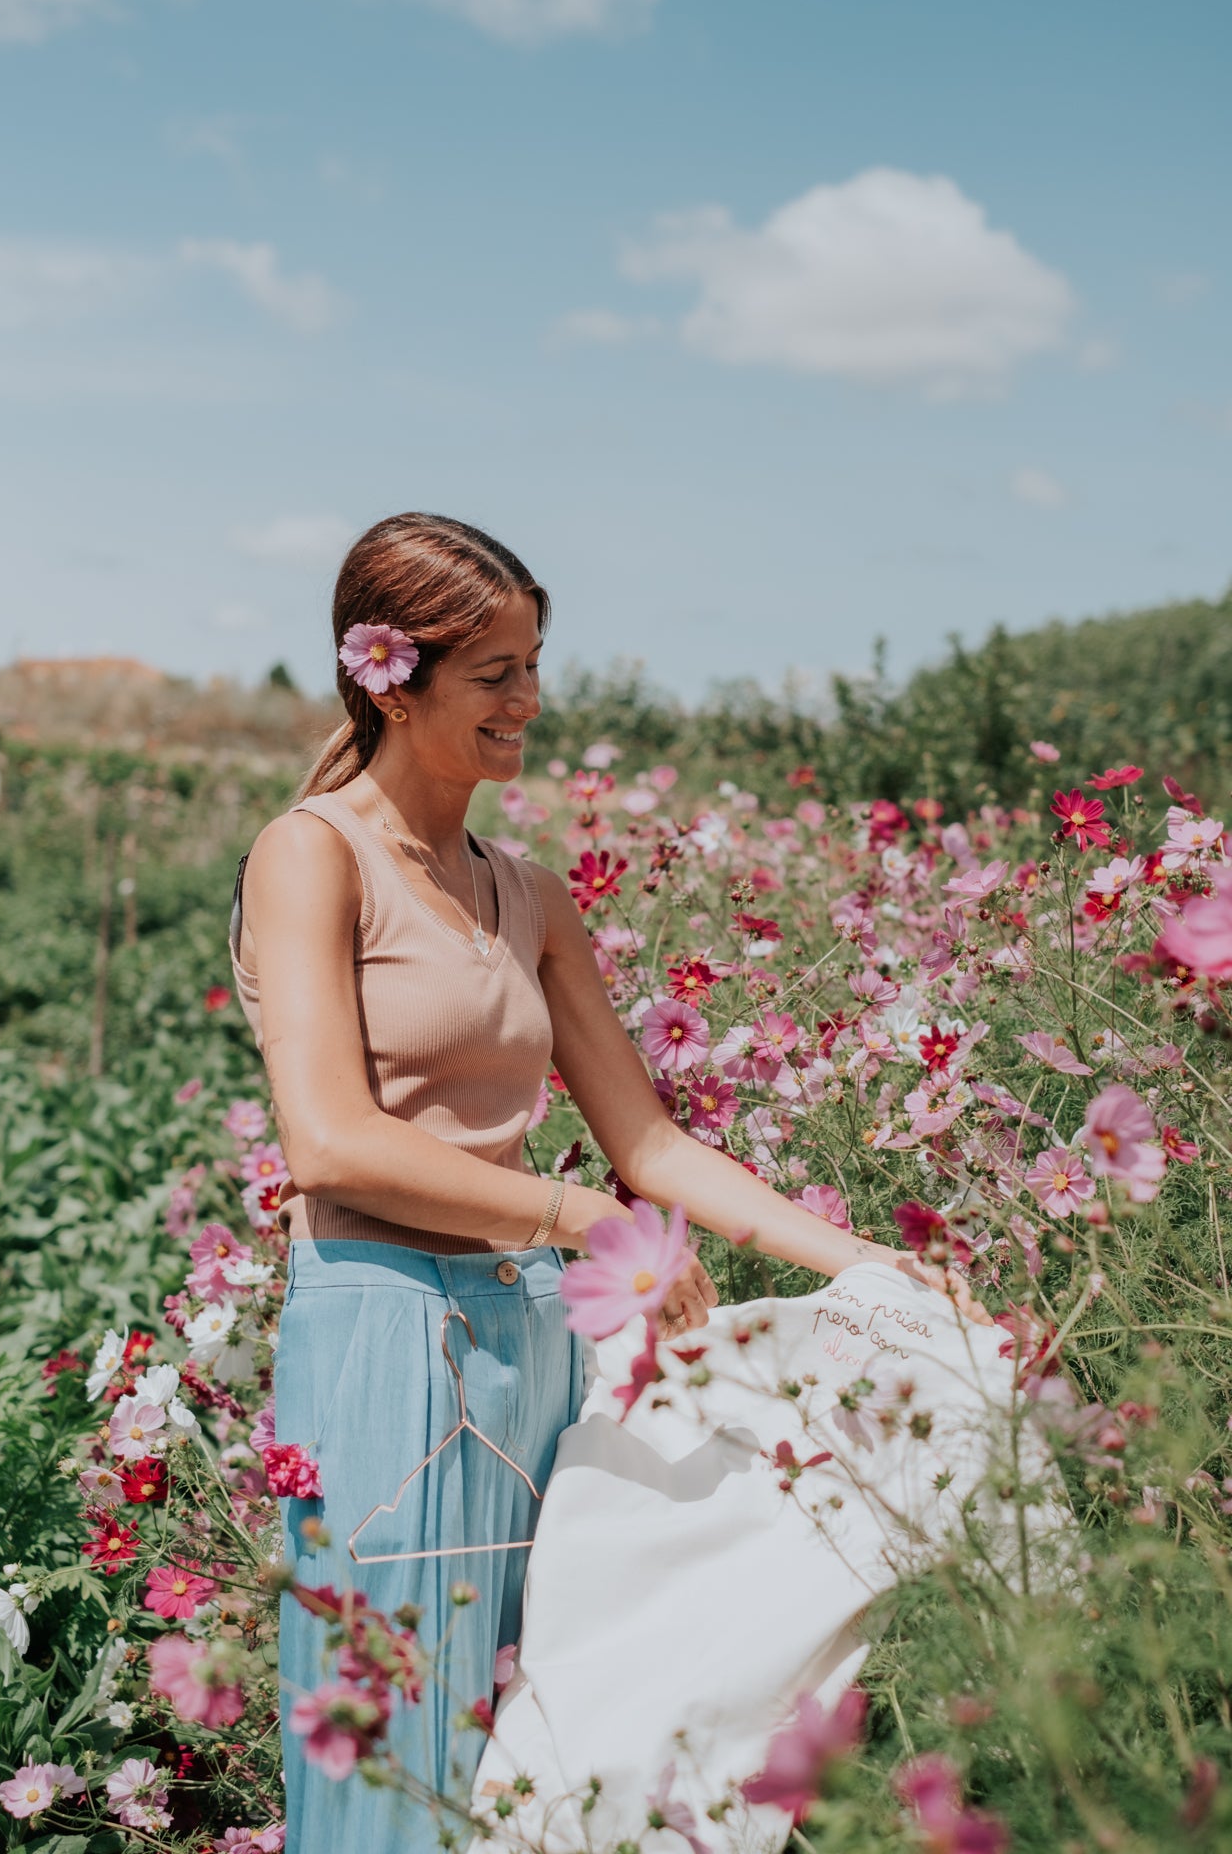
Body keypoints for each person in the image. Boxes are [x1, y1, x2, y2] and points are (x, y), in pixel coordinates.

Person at [229, 511, 990, 1853]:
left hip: (532, 1342)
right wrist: (576, 1214)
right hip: (382, 1334)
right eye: (495, 674)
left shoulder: (528, 893)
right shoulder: (313, 854)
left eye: (535, 665)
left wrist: (869, 1264)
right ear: (390, 680)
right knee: (396, 1754)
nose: (529, 700)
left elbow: (652, 1149)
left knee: (540, 1748)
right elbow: (330, 1141)